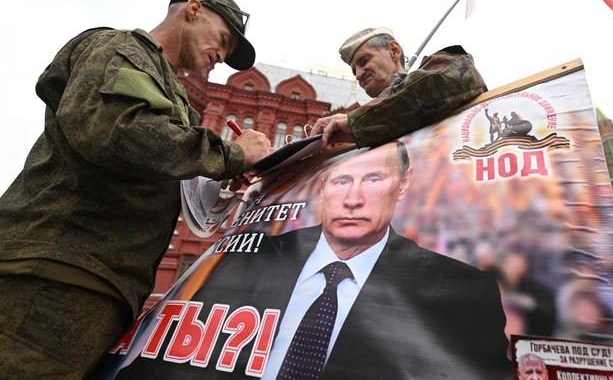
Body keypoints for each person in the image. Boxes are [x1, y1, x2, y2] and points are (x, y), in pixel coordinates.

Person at [0, 0, 272, 378]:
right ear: (192, 10)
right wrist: (231, 153)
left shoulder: (170, 92)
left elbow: (156, 167)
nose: (223, 55)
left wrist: (224, 181)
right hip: (54, 273)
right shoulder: (121, 50)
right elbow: (115, 131)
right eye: (224, 39)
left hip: (98, 284)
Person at [118, 142, 511, 379]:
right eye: (341, 181)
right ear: (322, 189)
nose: (353, 198)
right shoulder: (252, 256)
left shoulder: (460, 289)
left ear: (403, 184)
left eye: (373, 179)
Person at [309, 27, 487, 147]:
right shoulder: (365, 129)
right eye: (354, 70)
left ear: (394, 51)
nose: (358, 74)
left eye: (364, 61)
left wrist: (353, 122)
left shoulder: (444, 67)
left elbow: (448, 79)